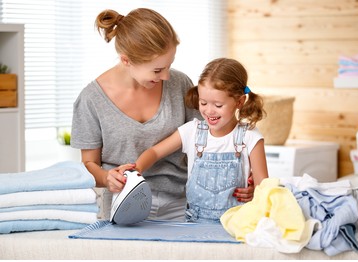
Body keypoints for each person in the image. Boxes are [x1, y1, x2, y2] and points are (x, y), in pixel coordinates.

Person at [71, 8, 254, 221]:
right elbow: (88, 165)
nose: (166, 76)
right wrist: (106, 177)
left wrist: (243, 174)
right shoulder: (91, 100)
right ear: (126, 60)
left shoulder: (179, 84)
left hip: (184, 204)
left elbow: (210, 138)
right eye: (157, 70)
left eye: (169, 65)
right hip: (124, 205)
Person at [133, 58, 269, 223]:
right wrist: (137, 168)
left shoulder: (250, 136)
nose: (209, 111)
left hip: (237, 224)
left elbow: (264, 187)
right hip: (194, 225)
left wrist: (255, 192)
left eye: (218, 105)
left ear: (239, 102)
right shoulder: (192, 131)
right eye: (203, 103)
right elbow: (154, 152)